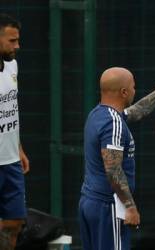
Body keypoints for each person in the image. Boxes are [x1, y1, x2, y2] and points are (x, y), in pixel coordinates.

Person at [78, 67, 155, 250]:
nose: (135, 91)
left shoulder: (98, 114)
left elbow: (137, 111)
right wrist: (129, 206)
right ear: (124, 92)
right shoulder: (113, 123)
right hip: (108, 205)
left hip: (89, 202)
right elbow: (113, 169)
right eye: (133, 87)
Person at [0, 13, 30, 250]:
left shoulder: (12, 65)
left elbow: (10, 110)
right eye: (11, 41)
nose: (17, 46)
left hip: (11, 162)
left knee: (15, 222)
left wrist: (18, 148)